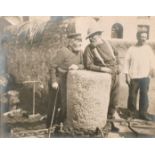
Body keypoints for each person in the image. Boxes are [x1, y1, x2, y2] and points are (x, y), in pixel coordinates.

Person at [83, 26, 121, 132]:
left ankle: (111, 122)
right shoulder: (89, 49)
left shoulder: (108, 43)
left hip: (116, 75)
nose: (91, 39)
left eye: (93, 36)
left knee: (114, 101)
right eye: (89, 37)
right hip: (104, 78)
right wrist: (102, 69)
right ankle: (103, 125)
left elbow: (117, 54)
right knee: (104, 100)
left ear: (99, 35)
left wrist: (119, 66)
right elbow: (88, 65)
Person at [46, 29, 84, 129]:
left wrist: (78, 67)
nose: (79, 44)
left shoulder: (80, 53)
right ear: (70, 42)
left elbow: (84, 65)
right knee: (54, 104)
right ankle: (50, 125)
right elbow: (52, 66)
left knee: (66, 105)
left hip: (70, 82)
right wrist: (54, 81)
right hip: (59, 80)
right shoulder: (63, 52)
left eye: (80, 41)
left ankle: (60, 125)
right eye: (77, 41)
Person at [123, 31, 155, 121]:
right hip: (134, 76)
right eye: (141, 37)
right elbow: (126, 63)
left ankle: (143, 113)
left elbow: (152, 62)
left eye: (145, 37)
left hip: (145, 76)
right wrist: (126, 76)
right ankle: (131, 114)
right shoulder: (131, 49)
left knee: (144, 95)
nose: (143, 39)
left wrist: (152, 72)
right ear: (137, 37)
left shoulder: (148, 49)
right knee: (132, 96)